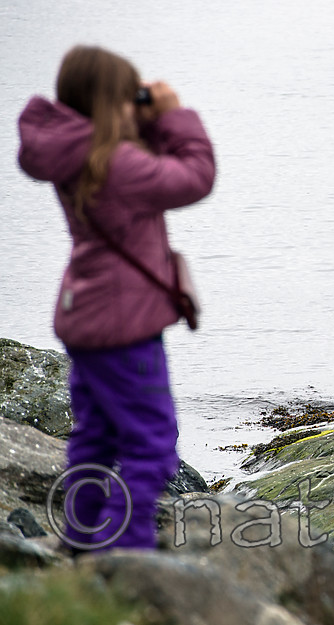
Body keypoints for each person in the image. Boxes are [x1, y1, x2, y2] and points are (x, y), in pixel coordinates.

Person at [18, 45, 215, 551]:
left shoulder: (78, 156)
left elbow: (131, 152)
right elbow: (195, 176)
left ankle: (81, 536)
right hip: (125, 328)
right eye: (130, 98)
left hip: (86, 319)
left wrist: (144, 121)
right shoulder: (119, 166)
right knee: (152, 442)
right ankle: (124, 547)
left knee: (97, 436)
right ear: (111, 103)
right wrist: (175, 115)